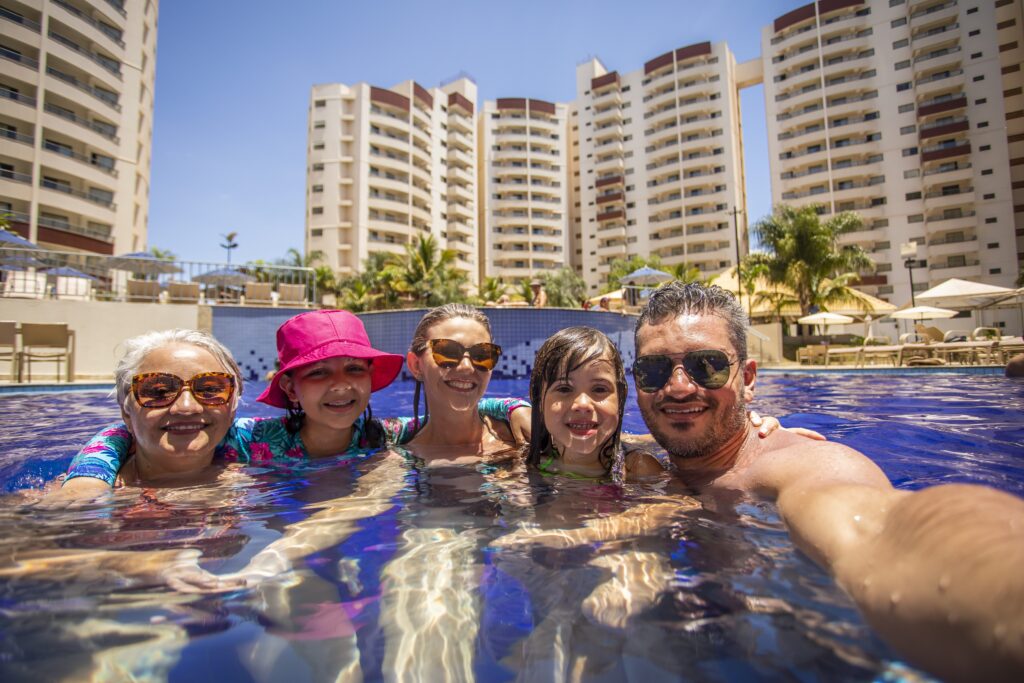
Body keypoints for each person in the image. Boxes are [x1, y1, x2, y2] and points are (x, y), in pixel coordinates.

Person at [625, 282, 1023, 680]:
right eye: (654, 370)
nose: (677, 388)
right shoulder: (650, 458)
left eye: (706, 366)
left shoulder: (798, 465)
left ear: (747, 378)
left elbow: (882, 532)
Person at [54, 311, 527, 498]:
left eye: (353, 369)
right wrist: (87, 479)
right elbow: (123, 432)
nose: (339, 386)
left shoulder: (381, 437)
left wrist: (512, 406)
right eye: (318, 372)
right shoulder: (248, 442)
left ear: (369, 381)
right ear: (292, 389)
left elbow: (455, 410)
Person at [525, 326, 663, 481]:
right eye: (564, 389)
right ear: (538, 399)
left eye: (599, 389)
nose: (582, 404)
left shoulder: (637, 469)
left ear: (621, 398)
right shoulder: (532, 462)